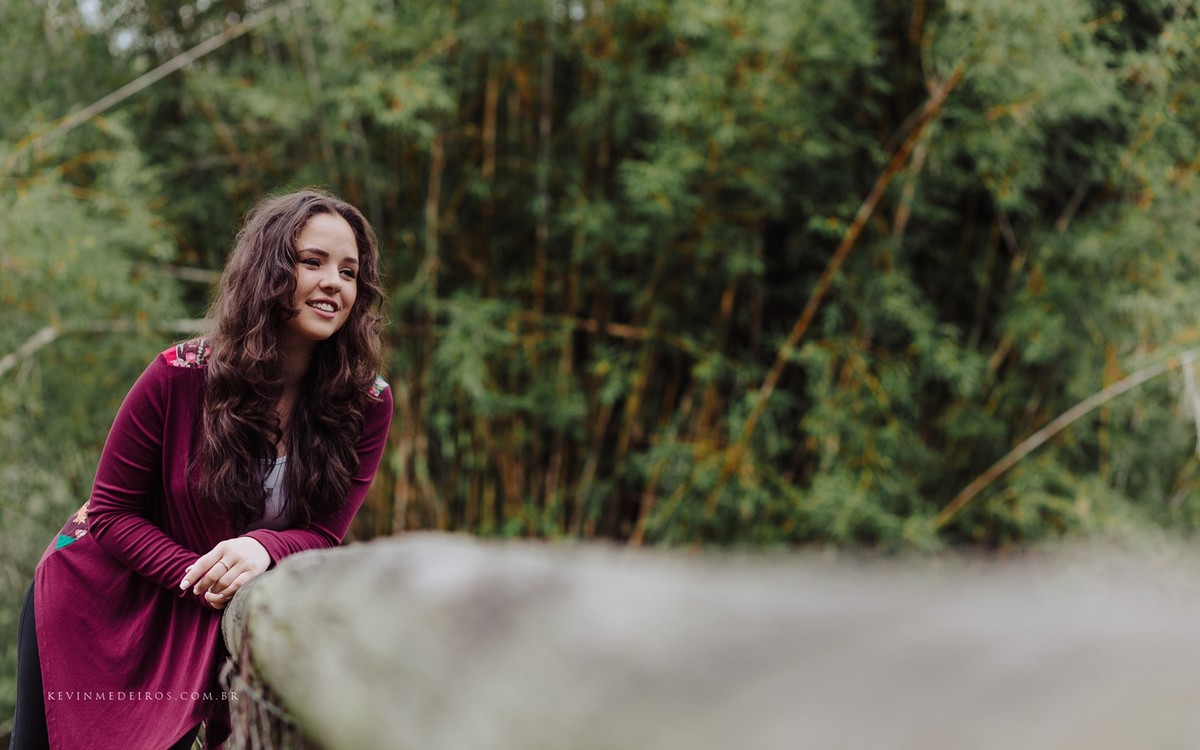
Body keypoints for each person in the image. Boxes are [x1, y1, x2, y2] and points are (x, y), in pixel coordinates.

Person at [9, 188, 393, 749]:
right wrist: (205, 578)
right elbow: (110, 514)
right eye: (312, 262)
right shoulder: (178, 374)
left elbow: (325, 532)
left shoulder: (367, 402)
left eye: (350, 271)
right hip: (100, 606)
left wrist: (263, 547)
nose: (334, 282)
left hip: (211, 621)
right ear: (268, 270)